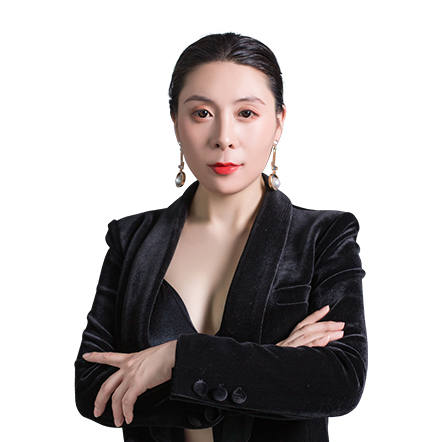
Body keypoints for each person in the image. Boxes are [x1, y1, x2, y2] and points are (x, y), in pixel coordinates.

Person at [75, 33, 367, 442]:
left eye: (246, 113)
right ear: (176, 122)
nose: (224, 137)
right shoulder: (131, 239)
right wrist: (272, 365)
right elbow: (93, 388)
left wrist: (176, 357)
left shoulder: (324, 237)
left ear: (278, 122)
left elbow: (338, 381)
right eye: (202, 113)